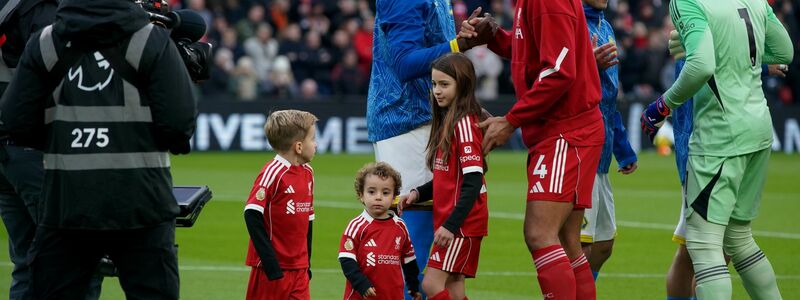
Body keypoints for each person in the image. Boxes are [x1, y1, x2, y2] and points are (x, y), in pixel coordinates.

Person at [0, 0, 197, 298]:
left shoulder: (45, 42)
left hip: (66, 201)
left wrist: (64, 140)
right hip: (142, 199)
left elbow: (16, 121)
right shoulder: (149, 39)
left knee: (35, 276)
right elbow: (179, 123)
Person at [641, 0, 793, 298]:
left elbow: (701, 65)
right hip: (759, 129)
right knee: (738, 239)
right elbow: (785, 51)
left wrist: (661, 107)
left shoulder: (686, 2)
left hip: (719, 136)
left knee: (704, 246)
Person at [460, 0, 603, 297]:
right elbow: (535, 52)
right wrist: (496, 36)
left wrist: (512, 121)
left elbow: (560, 71)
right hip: (566, 129)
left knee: (539, 234)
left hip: (565, 130)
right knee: (567, 242)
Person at [367, 1, 490, 297]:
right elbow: (405, 63)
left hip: (430, 118)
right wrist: (456, 44)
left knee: (446, 270)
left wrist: (460, 41)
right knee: (421, 257)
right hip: (406, 121)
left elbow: (441, 57)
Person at [399, 53, 489, 300]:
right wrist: (418, 193)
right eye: (435, 84)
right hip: (458, 222)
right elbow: (445, 177)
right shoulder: (449, 122)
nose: (437, 91)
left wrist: (451, 226)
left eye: (444, 84)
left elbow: (473, 181)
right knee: (454, 288)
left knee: (431, 284)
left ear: (463, 84)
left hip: (462, 224)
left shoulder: (464, 125)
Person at [0, 1, 57, 299]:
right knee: (69, 261)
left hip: (6, 150)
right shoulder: (39, 8)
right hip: (35, 147)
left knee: (25, 263)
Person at [579, 0, 638, 282]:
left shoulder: (606, 26)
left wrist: (623, 149)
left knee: (603, 246)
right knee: (580, 245)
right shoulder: (571, 21)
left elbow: (609, 97)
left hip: (602, 154)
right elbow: (558, 78)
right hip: (580, 150)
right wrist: (588, 62)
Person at [244, 110, 317, 300]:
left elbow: (308, 220)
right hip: (271, 269)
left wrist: (307, 263)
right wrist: (270, 263)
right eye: (313, 139)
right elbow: (252, 213)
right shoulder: (273, 172)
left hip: (299, 269)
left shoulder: (308, 173)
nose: (316, 144)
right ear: (299, 147)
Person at [338, 162, 422, 300]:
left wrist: (413, 286)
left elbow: (409, 259)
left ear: (394, 196)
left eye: (385, 192)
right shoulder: (357, 226)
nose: (378, 197)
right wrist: (362, 284)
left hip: (393, 295)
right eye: (371, 192)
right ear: (361, 195)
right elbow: (346, 259)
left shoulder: (400, 226)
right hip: (362, 296)